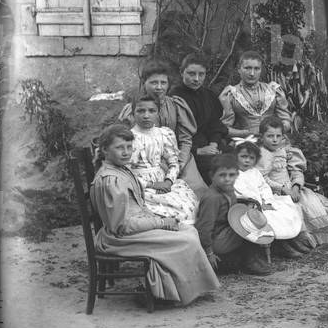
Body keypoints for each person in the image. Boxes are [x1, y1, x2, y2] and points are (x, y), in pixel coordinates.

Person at [90, 124, 219, 305]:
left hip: (134, 229)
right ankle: (166, 294)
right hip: (120, 238)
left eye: (129, 147)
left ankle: (177, 289)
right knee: (186, 240)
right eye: (119, 148)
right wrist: (161, 223)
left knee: (188, 229)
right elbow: (121, 226)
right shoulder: (111, 181)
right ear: (104, 150)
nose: (126, 152)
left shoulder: (122, 170)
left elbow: (137, 209)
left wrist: (161, 220)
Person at [119, 59, 206, 195]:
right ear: (144, 83)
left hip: (177, 156)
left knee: (197, 192)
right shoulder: (134, 110)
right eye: (153, 82)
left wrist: (181, 162)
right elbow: (126, 142)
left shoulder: (176, 105)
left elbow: (185, 139)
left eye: (163, 83)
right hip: (148, 161)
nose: (159, 87)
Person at [257, 117, 328, 247]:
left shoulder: (284, 151)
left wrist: (295, 187)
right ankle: (296, 243)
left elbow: (296, 171)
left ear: (283, 137)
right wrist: (283, 189)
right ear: (261, 137)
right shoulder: (262, 155)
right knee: (291, 214)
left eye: (278, 136)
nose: (274, 139)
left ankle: (313, 237)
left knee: (312, 206)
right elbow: (263, 179)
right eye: (270, 136)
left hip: (291, 188)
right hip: (275, 192)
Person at [126, 94, 200, 224]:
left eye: (151, 111)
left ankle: (185, 238)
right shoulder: (129, 138)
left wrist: (168, 181)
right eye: (141, 111)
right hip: (141, 186)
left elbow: (174, 163)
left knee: (188, 207)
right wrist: (151, 185)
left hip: (165, 184)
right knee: (159, 212)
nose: (146, 115)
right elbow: (125, 173)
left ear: (158, 113)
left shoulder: (163, 134)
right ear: (133, 114)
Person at [194, 153, 272, 276]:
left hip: (226, 231)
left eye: (232, 175)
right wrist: (209, 252)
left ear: (237, 175)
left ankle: (246, 257)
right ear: (212, 176)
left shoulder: (228, 189)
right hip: (216, 238)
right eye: (222, 175)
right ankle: (249, 262)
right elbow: (204, 228)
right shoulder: (212, 198)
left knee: (250, 220)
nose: (227, 179)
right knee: (247, 226)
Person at [232, 140, 311, 258]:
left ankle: (290, 240)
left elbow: (264, 187)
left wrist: (266, 201)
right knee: (270, 217)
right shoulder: (234, 174)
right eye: (243, 157)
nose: (247, 160)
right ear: (236, 157)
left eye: (251, 158)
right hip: (249, 206)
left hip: (262, 202)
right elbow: (240, 192)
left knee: (285, 208)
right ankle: (282, 246)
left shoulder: (254, 172)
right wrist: (258, 203)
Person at [170, 53, 228, 184]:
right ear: (181, 72)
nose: (196, 79)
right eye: (191, 74)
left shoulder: (208, 95)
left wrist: (214, 144)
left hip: (209, 144)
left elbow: (215, 125)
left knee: (236, 156)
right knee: (214, 166)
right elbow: (174, 133)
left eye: (201, 74)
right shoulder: (174, 97)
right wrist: (198, 150)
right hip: (188, 149)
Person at [219, 51, 293, 139]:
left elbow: (286, 120)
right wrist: (246, 133)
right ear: (239, 69)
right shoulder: (231, 94)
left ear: (261, 70)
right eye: (247, 68)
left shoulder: (273, 90)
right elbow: (224, 128)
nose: (252, 73)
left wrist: (276, 131)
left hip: (274, 140)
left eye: (256, 69)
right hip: (246, 141)